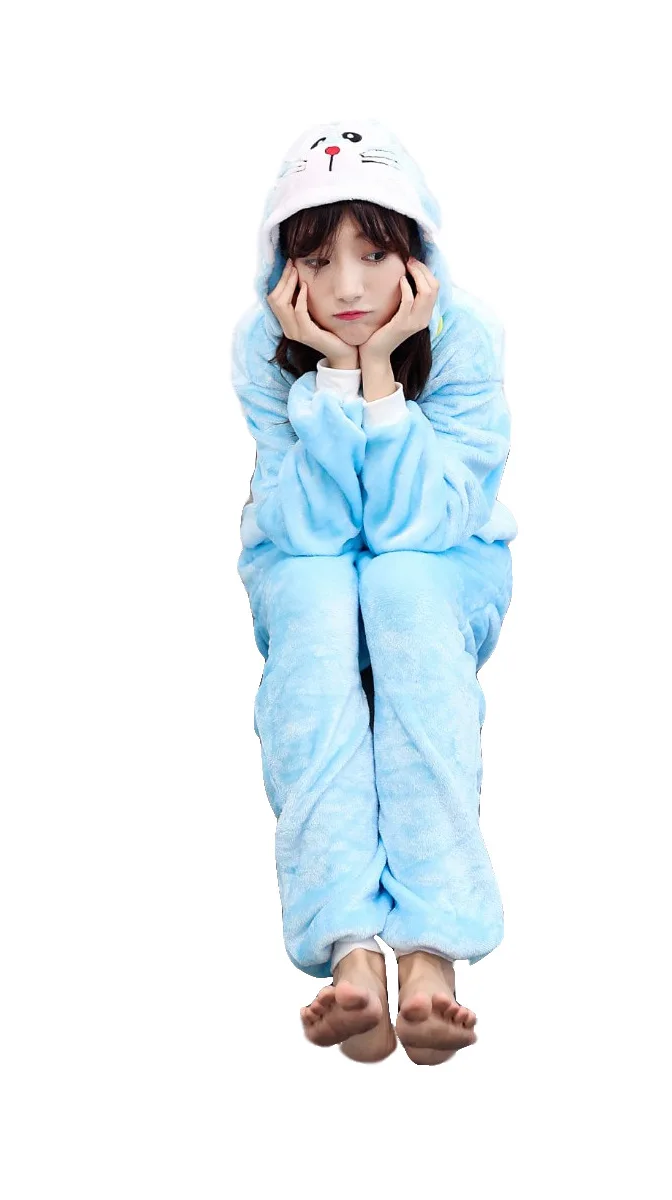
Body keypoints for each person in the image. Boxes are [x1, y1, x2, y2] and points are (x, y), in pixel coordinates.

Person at [230, 119, 517, 1065]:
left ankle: (432, 953)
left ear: (415, 257)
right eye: (319, 261)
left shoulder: (465, 338)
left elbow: (416, 528)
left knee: (399, 588)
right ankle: (350, 952)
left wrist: (381, 371)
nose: (349, 288)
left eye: (374, 254)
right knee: (318, 607)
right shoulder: (262, 347)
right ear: (287, 274)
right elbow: (309, 530)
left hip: (442, 560)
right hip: (305, 560)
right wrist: (329, 374)